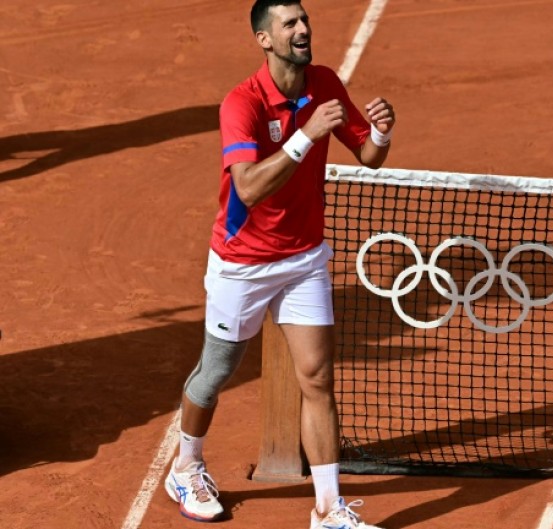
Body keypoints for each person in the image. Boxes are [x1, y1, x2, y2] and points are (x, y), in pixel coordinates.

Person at [163, 1, 394, 527]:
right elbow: (247, 185)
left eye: (304, 20)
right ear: (264, 40)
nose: (303, 29)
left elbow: (368, 154)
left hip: (303, 259)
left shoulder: (327, 82)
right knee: (217, 371)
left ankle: (328, 508)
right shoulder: (241, 103)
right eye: (289, 23)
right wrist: (306, 135)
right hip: (241, 261)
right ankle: (186, 465)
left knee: (317, 376)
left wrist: (381, 131)